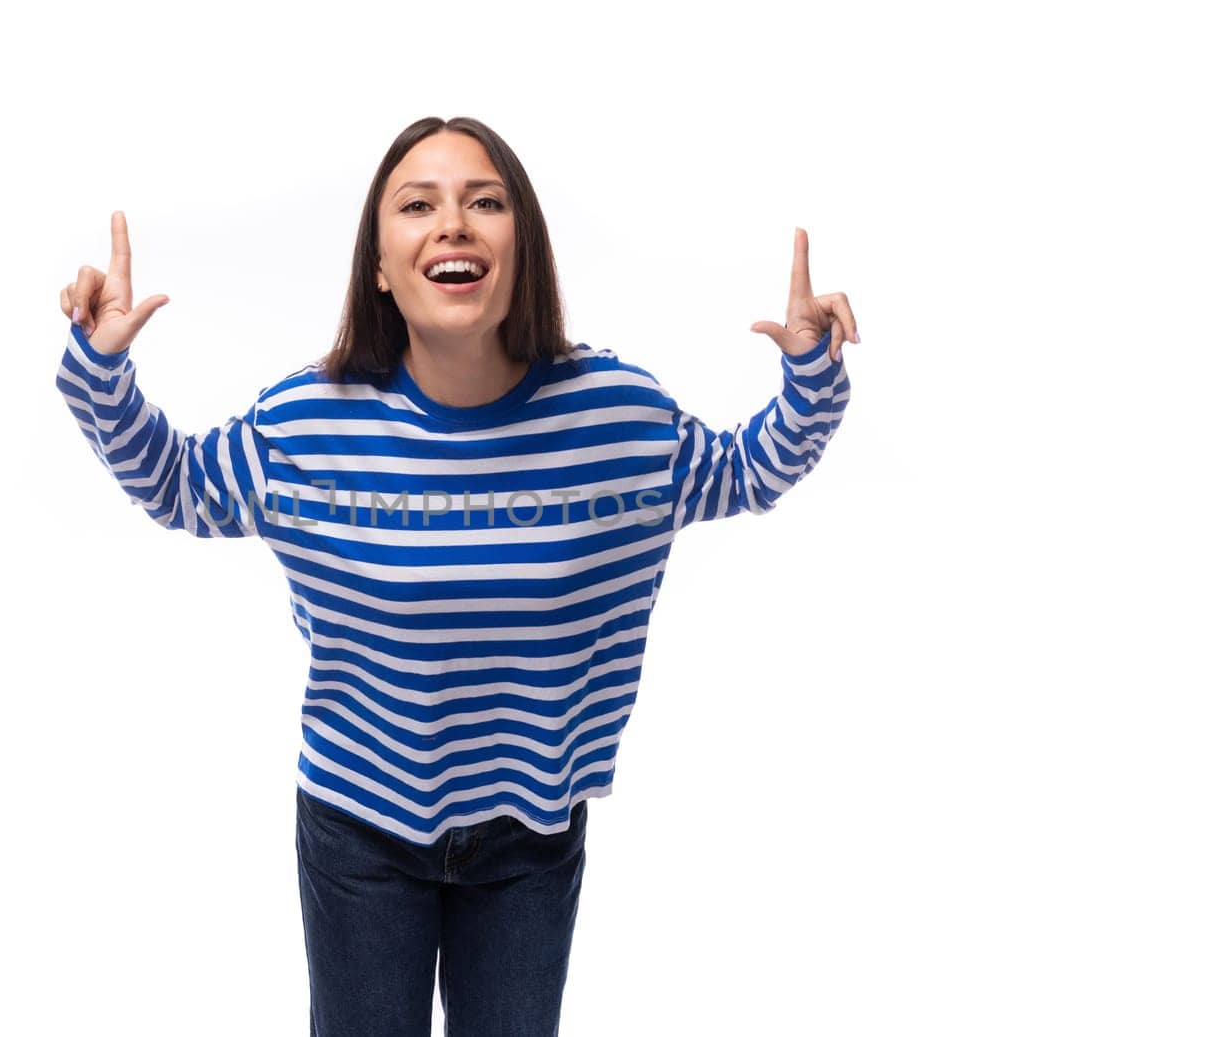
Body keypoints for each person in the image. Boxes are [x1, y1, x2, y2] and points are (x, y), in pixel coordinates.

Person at [53, 116, 857, 1036]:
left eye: (484, 201)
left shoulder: (617, 419)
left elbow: (744, 471)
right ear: (382, 265)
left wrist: (810, 376)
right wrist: (103, 369)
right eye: (417, 205)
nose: (454, 224)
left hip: (531, 835)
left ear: (525, 249)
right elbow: (181, 486)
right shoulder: (308, 423)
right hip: (358, 825)